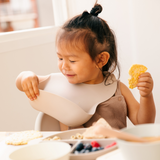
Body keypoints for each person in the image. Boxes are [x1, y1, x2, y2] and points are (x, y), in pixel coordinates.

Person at [15, 1, 156, 130]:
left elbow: (143, 124)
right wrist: (27, 76)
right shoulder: (58, 83)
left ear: (101, 60)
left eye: (72, 61)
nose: (64, 66)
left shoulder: (117, 89)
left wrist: (146, 96)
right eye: (60, 58)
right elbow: (21, 83)